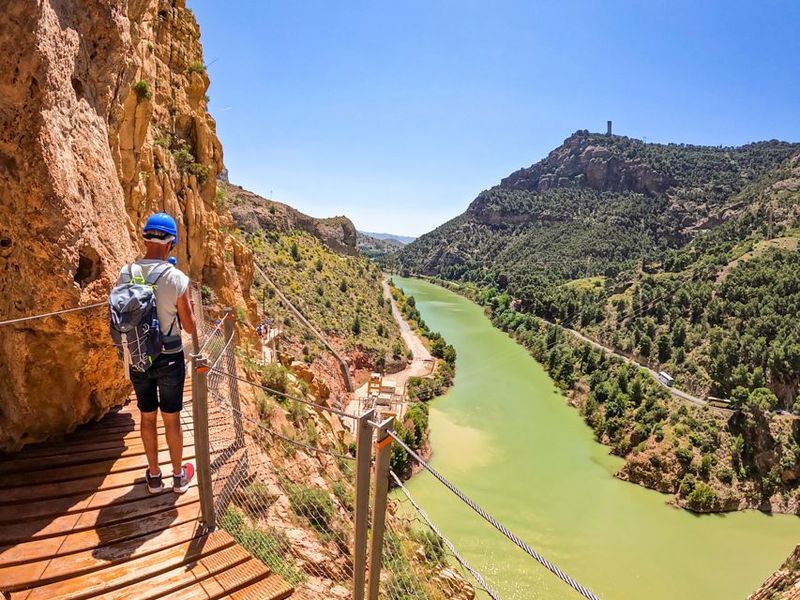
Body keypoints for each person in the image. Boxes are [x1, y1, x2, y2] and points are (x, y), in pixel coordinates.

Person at [118, 212, 196, 494]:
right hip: (169, 355)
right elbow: (188, 326)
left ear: (145, 238)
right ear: (170, 242)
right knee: (171, 418)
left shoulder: (125, 273)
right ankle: (178, 477)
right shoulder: (176, 278)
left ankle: (153, 475)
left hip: (138, 356)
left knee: (147, 416)